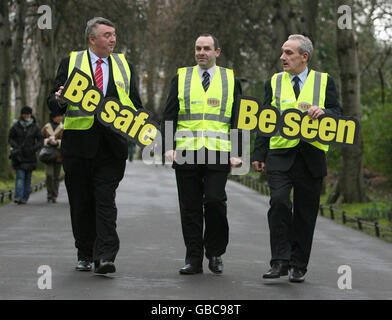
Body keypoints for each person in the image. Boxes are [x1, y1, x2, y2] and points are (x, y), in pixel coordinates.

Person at [47, 17, 143, 274]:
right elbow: (54, 102)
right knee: (81, 202)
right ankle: (85, 253)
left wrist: (141, 129)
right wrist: (59, 99)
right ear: (92, 39)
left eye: (114, 34)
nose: (113, 39)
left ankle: (106, 256)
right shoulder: (71, 62)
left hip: (112, 148)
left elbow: (135, 103)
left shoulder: (125, 65)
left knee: (105, 200)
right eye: (107, 35)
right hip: (78, 147)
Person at [251, 35, 343, 282]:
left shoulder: (325, 81)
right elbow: (264, 119)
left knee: (305, 213)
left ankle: (298, 264)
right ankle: (279, 260)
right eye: (282, 52)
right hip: (280, 154)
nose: (283, 57)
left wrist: (325, 112)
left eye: (289, 53)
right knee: (279, 202)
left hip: (311, 157)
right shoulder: (274, 82)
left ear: (304, 57)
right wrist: (259, 153)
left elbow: (338, 112)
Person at [162, 34, 242, 275]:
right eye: (198, 48)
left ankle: (215, 252)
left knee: (215, 201)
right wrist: (168, 146)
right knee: (190, 207)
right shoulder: (182, 77)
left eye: (207, 48)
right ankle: (193, 258)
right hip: (186, 152)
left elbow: (239, 118)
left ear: (217, 52)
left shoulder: (230, 79)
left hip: (219, 152)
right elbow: (169, 114)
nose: (201, 52)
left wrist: (237, 152)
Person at [8, 106, 44, 205]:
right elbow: (10, 138)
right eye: (25, 114)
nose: (27, 116)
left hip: (30, 156)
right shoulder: (16, 126)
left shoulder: (35, 126)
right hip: (19, 156)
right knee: (20, 177)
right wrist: (16, 147)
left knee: (28, 179)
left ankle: (25, 197)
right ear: (22, 114)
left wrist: (34, 148)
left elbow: (41, 140)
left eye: (28, 114)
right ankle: (18, 197)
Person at [42, 110, 64, 203]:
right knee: (49, 175)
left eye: (61, 116)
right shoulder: (46, 127)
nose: (60, 118)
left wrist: (57, 142)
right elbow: (40, 139)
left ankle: (54, 195)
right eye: (58, 116)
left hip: (59, 155)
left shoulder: (63, 127)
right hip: (48, 154)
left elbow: (66, 140)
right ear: (53, 117)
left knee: (56, 176)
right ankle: (49, 194)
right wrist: (48, 141)